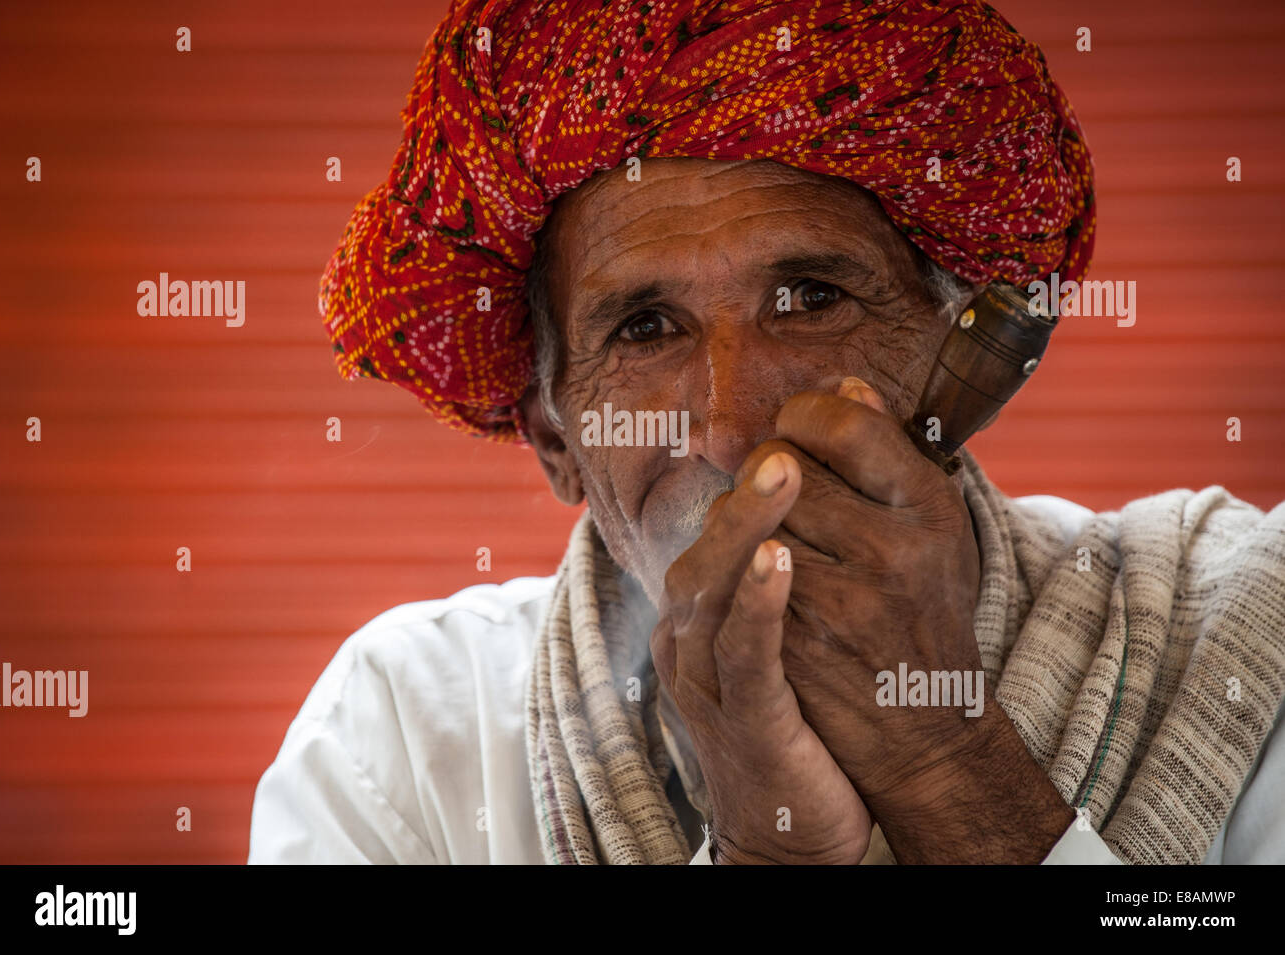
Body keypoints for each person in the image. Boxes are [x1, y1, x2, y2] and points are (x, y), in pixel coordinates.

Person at [248, 0, 1285, 864]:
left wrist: (942, 759)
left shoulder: (1238, 636)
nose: (735, 429)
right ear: (555, 439)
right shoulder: (405, 741)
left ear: (945, 363)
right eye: (645, 329)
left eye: (810, 296)